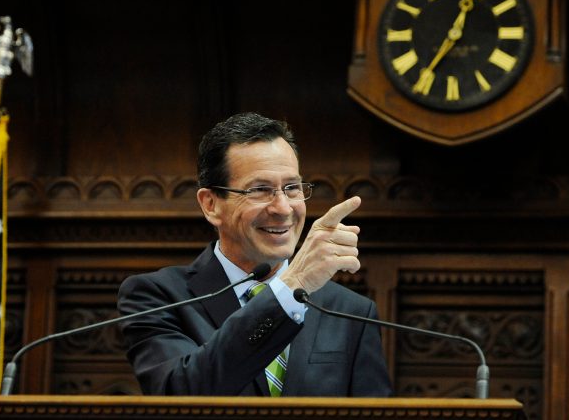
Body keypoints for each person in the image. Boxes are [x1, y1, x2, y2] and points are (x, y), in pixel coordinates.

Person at [118, 112, 392, 396]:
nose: (283, 208)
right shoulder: (158, 297)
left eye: (292, 188)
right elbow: (181, 391)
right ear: (211, 204)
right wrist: (291, 287)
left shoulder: (351, 311)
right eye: (260, 190)